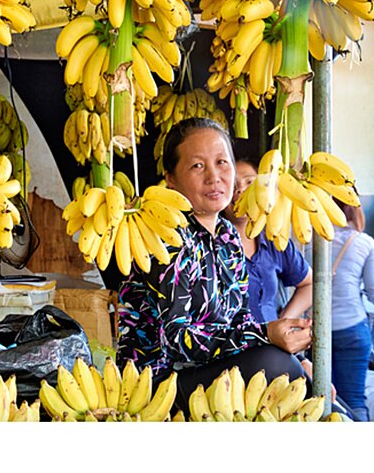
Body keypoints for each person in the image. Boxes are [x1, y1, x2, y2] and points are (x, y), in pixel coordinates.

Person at [116, 117, 313, 412]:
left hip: (212, 371)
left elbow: (239, 319)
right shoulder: (164, 235)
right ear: (170, 178)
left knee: (293, 370)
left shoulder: (229, 236)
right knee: (274, 363)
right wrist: (265, 335)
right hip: (159, 383)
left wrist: (280, 336)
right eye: (197, 166)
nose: (214, 177)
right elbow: (176, 340)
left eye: (222, 162)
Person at [294, 200, 374, 421]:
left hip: (314, 332)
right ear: (354, 209)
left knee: (320, 399)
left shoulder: (307, 242)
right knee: (354, 399)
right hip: (352, 331)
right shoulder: (365, 243)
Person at [222, 157, 313, 325]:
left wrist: (283, 321)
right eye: (233, 184)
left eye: (249, 182)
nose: (240, 189)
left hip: (272, 347)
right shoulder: (210, 245)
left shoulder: (274, 237)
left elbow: (309, 284)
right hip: (230, 348)